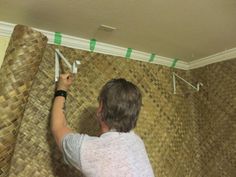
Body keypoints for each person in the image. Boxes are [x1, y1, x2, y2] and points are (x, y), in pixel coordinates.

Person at [51, 73, 154, 177]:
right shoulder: (137, 142)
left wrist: (62, 88)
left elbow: (58, 127)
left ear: (101, 108)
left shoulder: (87, 149)